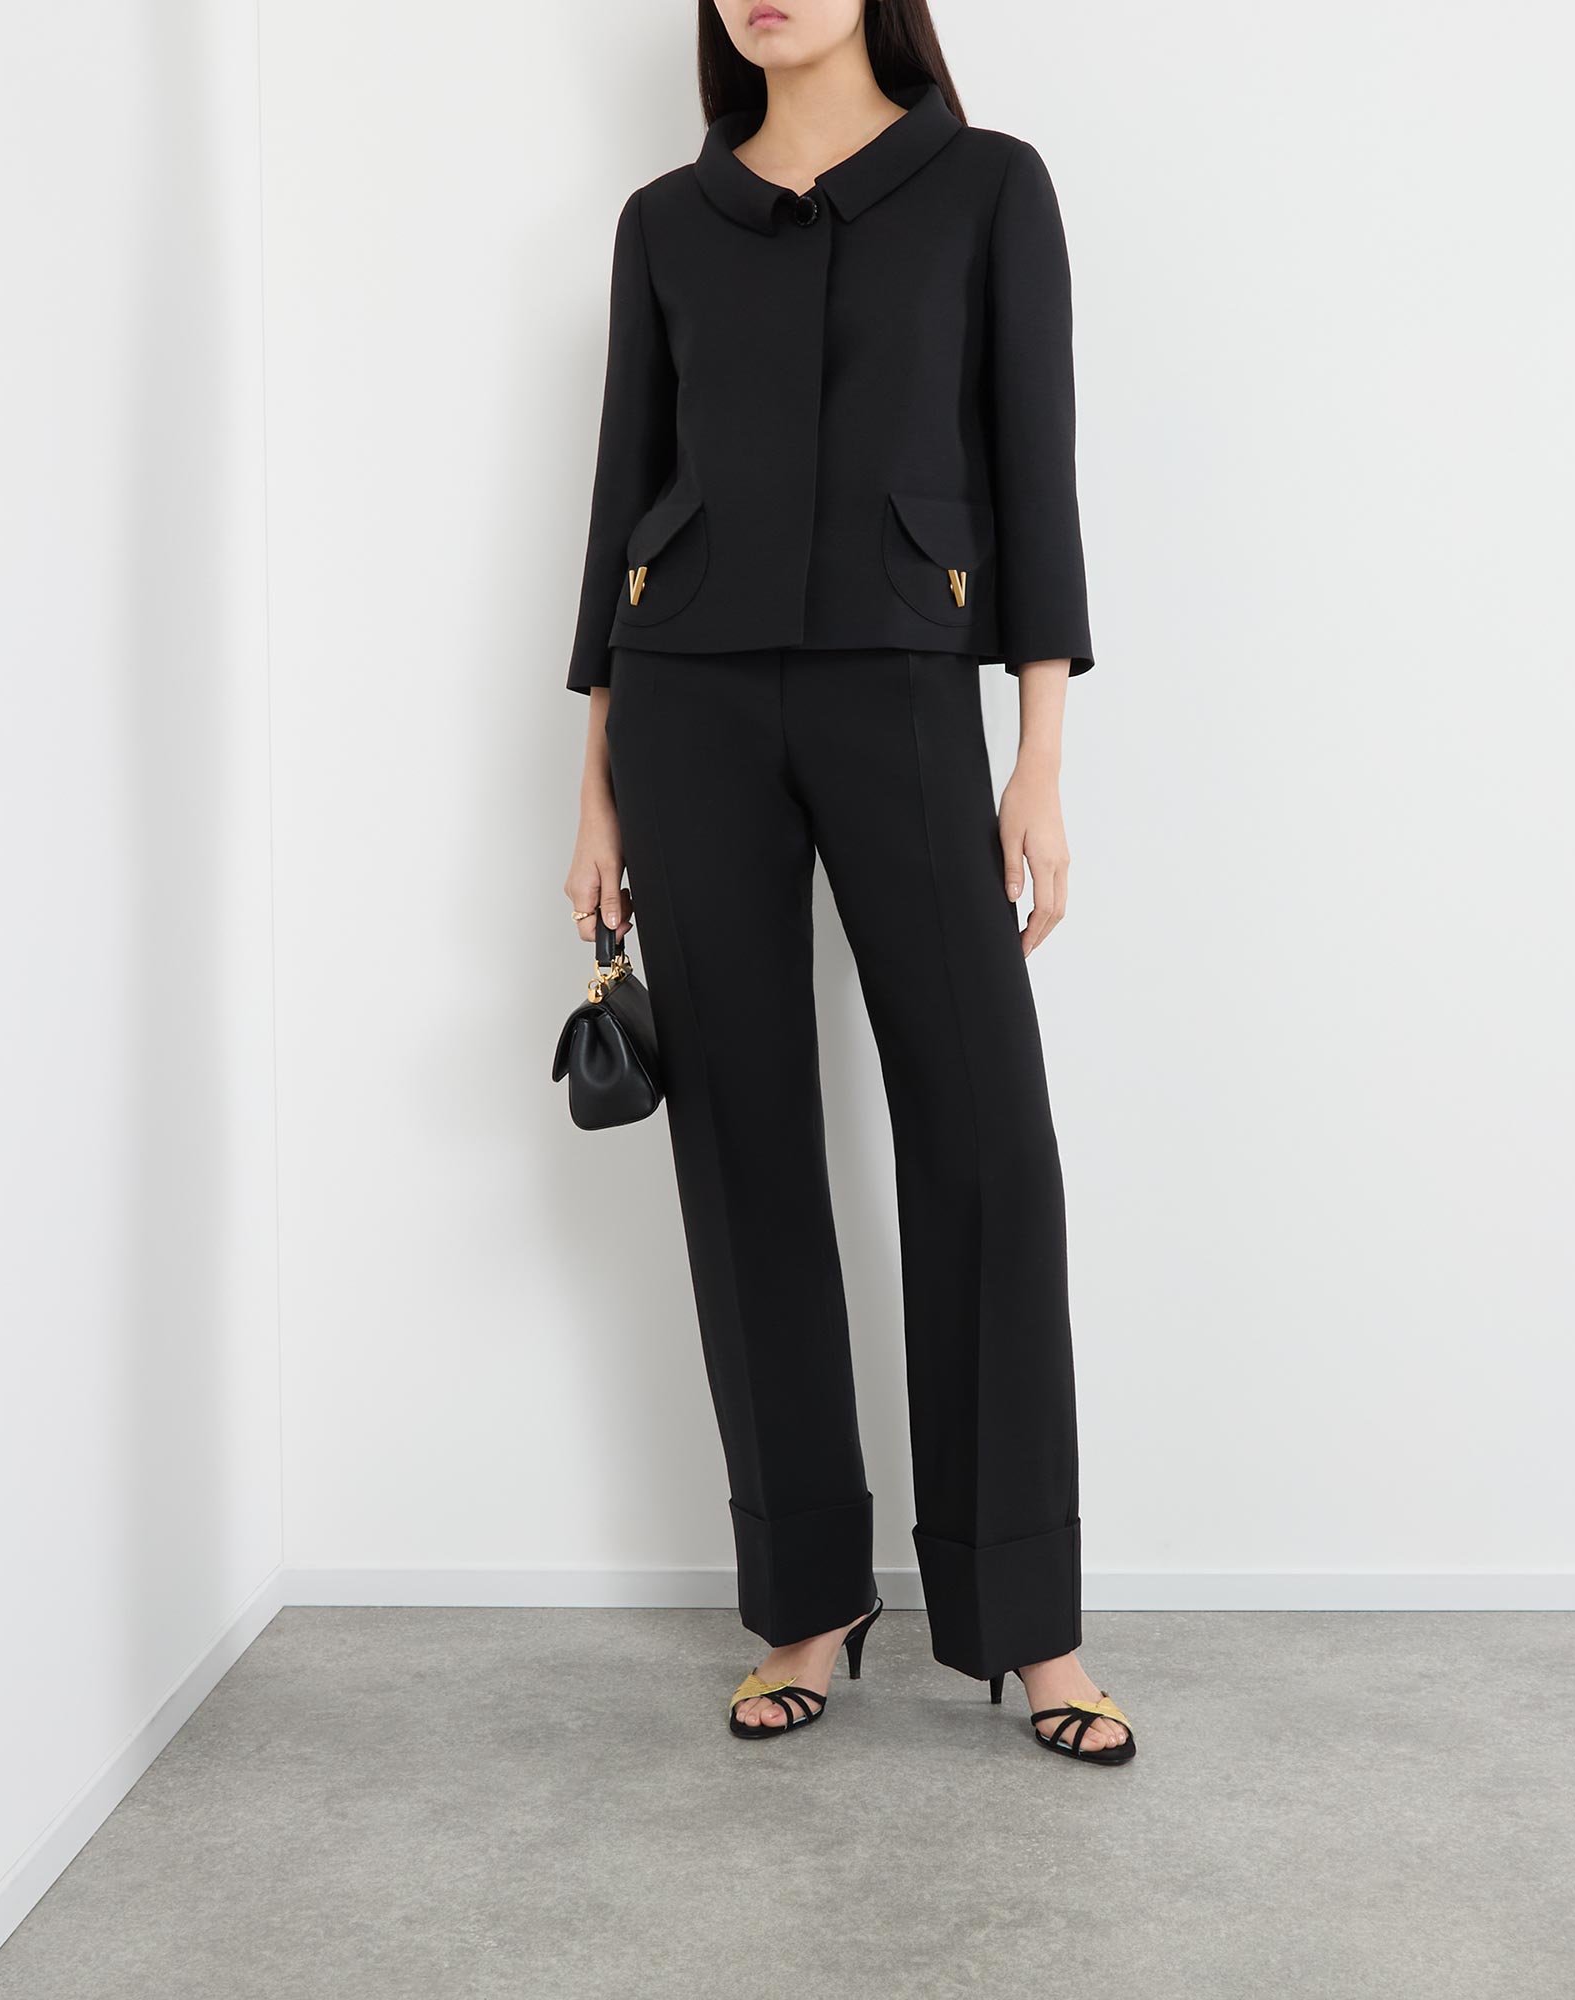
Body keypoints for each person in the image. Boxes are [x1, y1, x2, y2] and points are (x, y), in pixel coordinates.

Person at [562, 0, 1133, 1766]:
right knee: (742, 1148)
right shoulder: (668, 222)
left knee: (986, 1139)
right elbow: (621, 501)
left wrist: (1039, 756)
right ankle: (806, 1601)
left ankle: (1031, 1628)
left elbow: (1031, 474)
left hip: (902, 689)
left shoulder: (988, 188)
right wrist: (592, 792)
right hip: (688, 705)